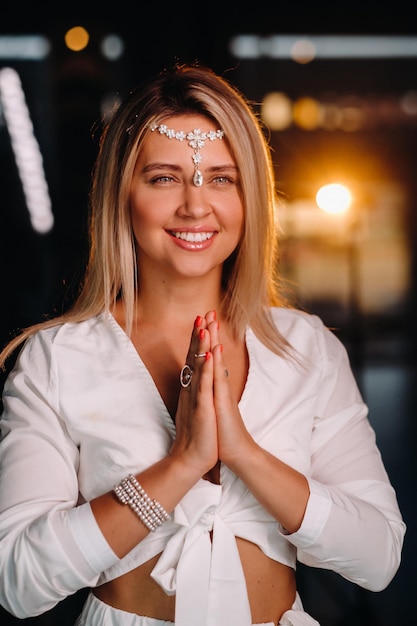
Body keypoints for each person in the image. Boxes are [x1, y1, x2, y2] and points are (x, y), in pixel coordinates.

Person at [0, 62, 405, 626]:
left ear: (249, 196)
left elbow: (378, 557)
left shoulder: (306, 347)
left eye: (221, 178)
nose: (195, 206)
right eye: (164, 178)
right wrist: (182, 463)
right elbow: (17, 580)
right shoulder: (57, 359)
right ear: (123, 194)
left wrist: (244, 453)